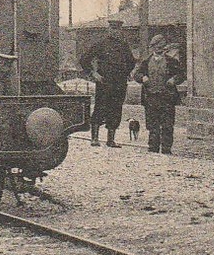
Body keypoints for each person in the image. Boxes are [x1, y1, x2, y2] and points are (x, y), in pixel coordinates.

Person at [79, 18, 135, 147]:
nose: (115, 32)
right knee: (100, 107)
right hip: (104, 82)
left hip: (119, 83)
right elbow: (84, 59)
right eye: (113, 29)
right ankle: (95, 138)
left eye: (117, 29)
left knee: (116, 109)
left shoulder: (124, 45)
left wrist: (125, 73)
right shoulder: (101, 43)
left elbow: (131, 61)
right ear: (108, 29)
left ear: (120, 31)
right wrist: (94, 73)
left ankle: (111, 140)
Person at [132, 34, 185, 154]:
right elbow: (136, 75)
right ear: (152, 48)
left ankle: (166, 148)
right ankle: (153, 148)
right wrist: (142, 77)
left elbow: (181, 75)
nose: (158, 49)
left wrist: (174, 79)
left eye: (161, 46)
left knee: (167, 124)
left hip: (167, 97)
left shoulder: (172, 61)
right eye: (156, 46)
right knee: (152, 124)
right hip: (151, 97)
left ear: (164, 47)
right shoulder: (146, 62)